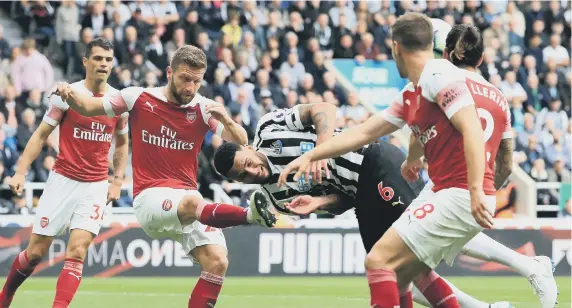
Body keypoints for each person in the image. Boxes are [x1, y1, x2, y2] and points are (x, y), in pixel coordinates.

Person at [278, 12, 512, 308]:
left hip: (460, 194)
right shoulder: (417, 88)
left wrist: (476, 189)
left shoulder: (437, 75)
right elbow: (364, 131)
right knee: (401, 275)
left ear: (395, 47)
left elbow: (472, 130)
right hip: (457, 193)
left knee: (379, 260)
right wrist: (311, 155)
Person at [214, 102, 519, 308]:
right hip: (360, 196)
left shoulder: (269, 129)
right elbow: (339, 203)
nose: (252, 171)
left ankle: (527, 267)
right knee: (395, 267)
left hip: (373, 162)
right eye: (243, 176)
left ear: (247, 148)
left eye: (247, 163)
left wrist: (321, 150)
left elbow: (324, 109)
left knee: (420, 240)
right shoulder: (276, 195)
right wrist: (319, 202)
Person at [51, 45, 276, 308]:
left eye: (196, 81)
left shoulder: (203, 108)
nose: (190, 87)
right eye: (184, 78)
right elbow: (89, 106)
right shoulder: (138, 97)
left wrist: (225, 118)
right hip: (150, 197)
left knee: (217, 261)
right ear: (169, 72)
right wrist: (68, 92)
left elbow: (240, 144)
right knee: (194, 203)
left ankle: (249, 216)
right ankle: (250, 215)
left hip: (186, 197)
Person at [0, 38, 130, 308]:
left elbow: (122, 142)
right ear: (85, 61)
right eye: (97, 58)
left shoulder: (118, 101)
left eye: (108, 59)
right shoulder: (67, 94)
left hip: (94, 185)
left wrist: (117, 180)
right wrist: (21, 172)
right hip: (62, 180)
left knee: (78, 251)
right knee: (35, 253)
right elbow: (40, 135)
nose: (103, 64)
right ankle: (5, 297)